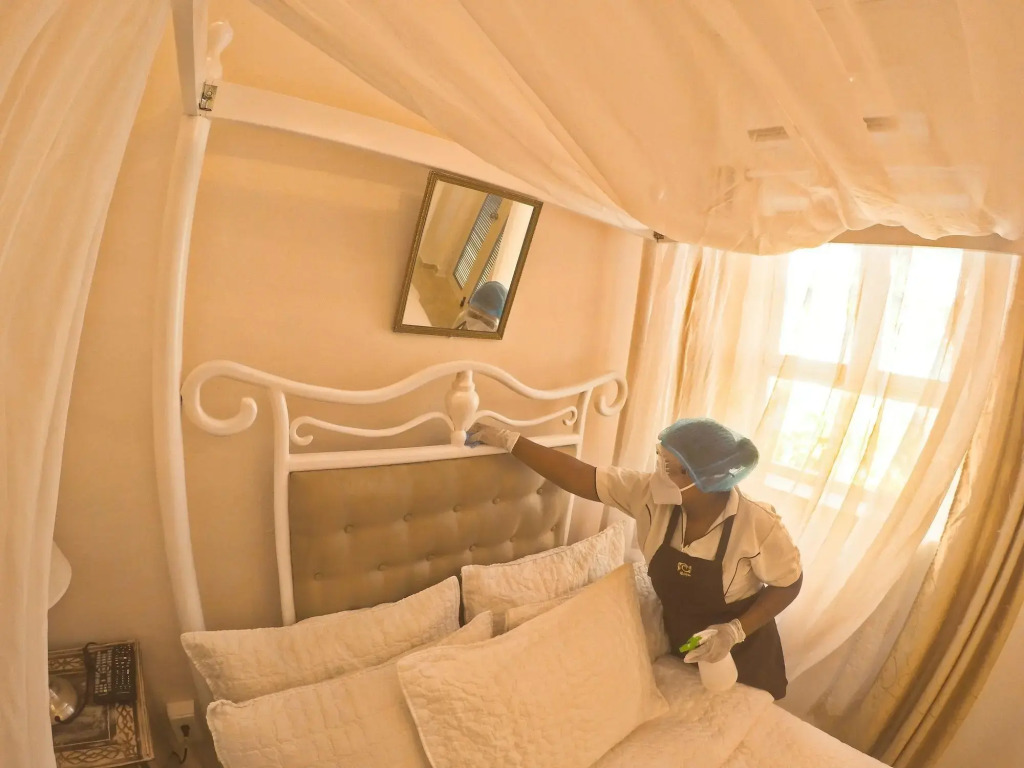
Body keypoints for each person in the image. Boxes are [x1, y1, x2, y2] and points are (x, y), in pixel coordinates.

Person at [466, 416, 802, 699]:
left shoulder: (757, 524)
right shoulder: (649, 496)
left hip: (743, 655)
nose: (658, 473)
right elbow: (581, 476)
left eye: (668, 467)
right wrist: (510, 440)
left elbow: (789, 583)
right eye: (659, 459)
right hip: (683, 642)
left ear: (704, 477)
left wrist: (735, 631)